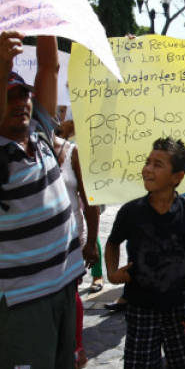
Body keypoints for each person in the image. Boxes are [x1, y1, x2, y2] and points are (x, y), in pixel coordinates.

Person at [0, 32, 85, 368]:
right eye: (10, 97)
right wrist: (5, 62)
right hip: (23, 301)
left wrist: (47, 14)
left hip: (64, 286)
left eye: (24, 94)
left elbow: (49, 68)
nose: (21, 102)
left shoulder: (42, 133)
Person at [105, 137, 185, 368]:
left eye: (158, 165)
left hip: (180, 309)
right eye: (147, 162)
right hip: (140, 310)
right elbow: (112, 243)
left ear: (177, 177)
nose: (147, 170)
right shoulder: (131, 212)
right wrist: (112, 272)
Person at [54, 134, 101, 368]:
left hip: (70, 241)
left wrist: (91, 243)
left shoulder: (72, 152)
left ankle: (75, 347)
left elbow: (90, 200)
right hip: (32, 246)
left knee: (70, 293)